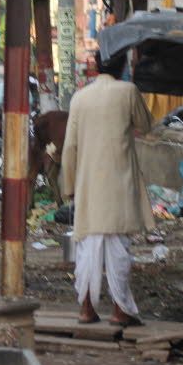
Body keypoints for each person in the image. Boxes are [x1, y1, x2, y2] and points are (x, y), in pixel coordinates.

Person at [62, 50, 153, 327]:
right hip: (120, 183)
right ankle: (119, 310)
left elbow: (69, 147)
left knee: (88, 248)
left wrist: (69, 187)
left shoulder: (80, 97)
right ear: (122, 66)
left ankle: (86, 310)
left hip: (88, 185)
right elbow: (146, 126)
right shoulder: (128, 91)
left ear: (94, 66)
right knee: (118, 249)